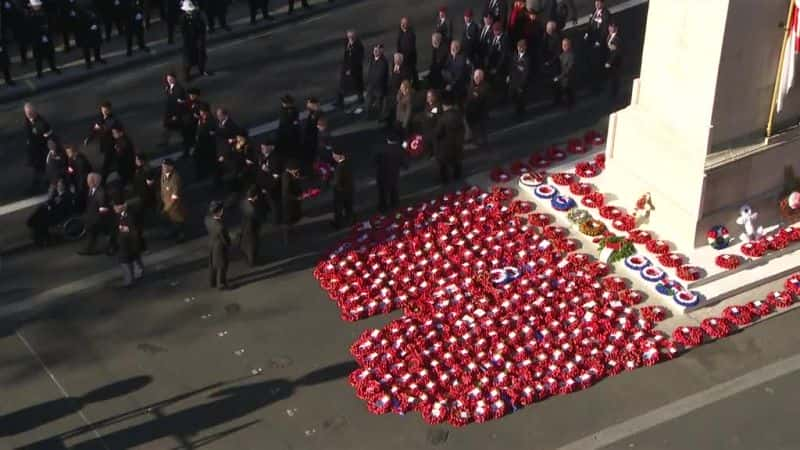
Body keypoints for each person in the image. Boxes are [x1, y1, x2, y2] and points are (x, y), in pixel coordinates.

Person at [84, 100, 121, 182]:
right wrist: (89, 138)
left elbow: (114, 131)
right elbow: (95, 130)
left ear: (110, 110)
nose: (104, 111)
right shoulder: (100, 118)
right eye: (103, 110)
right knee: (114, 162)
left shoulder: (113, 120)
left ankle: (103, 180)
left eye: (106, 110)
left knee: (107, 164)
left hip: (112, 145)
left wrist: (118, 144)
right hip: (105, 144)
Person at [113, 194, 144, 287]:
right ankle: (134, 276)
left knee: (127, 260)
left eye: (116, 206)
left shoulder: (130, 215)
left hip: (129, 242)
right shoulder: (118, 215)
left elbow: (134, 231)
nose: (114, 208)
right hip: (123, 243)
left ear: (121, 206)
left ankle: (130, 280)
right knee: (130, 259)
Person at [79, 172, 113, 255]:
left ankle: (108, 248)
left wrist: (98, 218)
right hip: (92, 216)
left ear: (95, 181)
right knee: (92, 234)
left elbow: (103, 207)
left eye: (89, 181)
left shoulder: (100, 192)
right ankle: (89, 249)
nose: (88, 182)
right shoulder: (91, 190)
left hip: (98, 218)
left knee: (97, 233)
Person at [434, 95, 465, 184]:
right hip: (457, 143)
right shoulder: (458, 114)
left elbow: (438, 132)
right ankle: (457, 176)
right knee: (457, 161)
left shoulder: (443, 118)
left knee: (443, 164)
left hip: (446, 145)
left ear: (445, 106)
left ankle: (445, 180)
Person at [24, 102, 53, 193]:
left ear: (34, 112)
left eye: (30, 113)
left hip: (41, 152)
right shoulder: (28, 121)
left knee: (41, 171)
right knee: (39, 171)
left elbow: (49, 138)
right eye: (27, 113)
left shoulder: (42, 124)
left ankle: (40, 187)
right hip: (35, 152)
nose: (28, 115)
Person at [28, 0, 60, 78]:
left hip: (47, 37)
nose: (37, 7)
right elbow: (30, 29)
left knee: (50, 54)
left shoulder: (44, 13)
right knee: (39, 57)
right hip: (37, 39)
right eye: (35, 6)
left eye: (38, 5)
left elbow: (50, 23)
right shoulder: (30, 16)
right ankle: (39, 72)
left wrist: (48, 31)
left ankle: (53, 67)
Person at [131, 153, 155, 250]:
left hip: (145, 195)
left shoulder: (147, 170)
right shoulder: (140, 169)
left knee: (142, 212)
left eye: (137, 160)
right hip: (141, 194)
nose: (136, 162)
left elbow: (150, 185)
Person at [585, 0, 611, 92]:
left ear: (603, 3)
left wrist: (599, 41)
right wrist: (587, 34)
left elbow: (604, 29)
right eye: (596, 2)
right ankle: (593, 84)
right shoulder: (594, 12)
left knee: (598, 65)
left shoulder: (606, 14)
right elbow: (590, 24)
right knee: (592, 64)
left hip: (599, 44)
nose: (596, 4)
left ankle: (599, 86)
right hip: (592, 41)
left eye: (599, 2)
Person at [180, 0, 208, 81]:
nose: (190, 11)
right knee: (188, 59)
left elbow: (202, 27)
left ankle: (202, 70)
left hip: (198, 39)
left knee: (201, 56)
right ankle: (187, 75)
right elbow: (183, 31)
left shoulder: (197, 15)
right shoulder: (183, 18)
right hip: (189, 41)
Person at [205, 200, 230, 290]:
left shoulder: (207, 219)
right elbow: (225, 239)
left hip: (211, 243)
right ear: (219, 211)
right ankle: (221, 284)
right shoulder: (220, 226)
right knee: (222, 265)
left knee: (212, 264)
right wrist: (228, 244)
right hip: (219, 247)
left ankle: (212, 282)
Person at [374, 144, 406, 213]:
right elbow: (403, 163)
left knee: (384, 192)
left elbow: (374, 163)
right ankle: (393, 206)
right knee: (392, 191)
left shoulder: (381, 155)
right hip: (391, 176)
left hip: (383, 177)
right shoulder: (395, 154)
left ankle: (384, 207)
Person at [160, 158, 186, 243]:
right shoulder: (163, 175)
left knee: (178, 221)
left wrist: (168, 207)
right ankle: (176, 233)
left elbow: (175, 195)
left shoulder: (175, 177)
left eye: (165, 166)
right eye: (163, 166)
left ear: (171, 167)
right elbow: (163, 188)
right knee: (172, 220)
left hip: (175, 206)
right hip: (167, 203)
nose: (163, 168)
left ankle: (181, 236)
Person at [337, 29, 364, 107]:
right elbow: (346, 55)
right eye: (349, 36)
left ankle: (360, 99)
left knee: (357, 84)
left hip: (355, 69)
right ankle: (340, 100)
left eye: (352, 36)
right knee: (342, 84)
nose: (350, 38)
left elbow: (358, 59)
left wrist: (351, 69)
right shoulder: (347, 43)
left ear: (355, 37)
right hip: (346, 66)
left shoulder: (359, 46)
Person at [385, 52, 411, 131]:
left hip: (398, 93)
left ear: (401, 61)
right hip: (392, 91)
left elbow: (405, 84)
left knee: (396, 110)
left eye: (397, 59)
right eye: (395, 59)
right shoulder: (394, 65)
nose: (395, 61)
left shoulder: (405, 70)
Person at [465, 69, 490, 149]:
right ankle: (476, 141)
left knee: (482, 127)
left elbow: (483, 99)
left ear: (482, 77)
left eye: (478, 77)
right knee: (473, 128)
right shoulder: (470, 86)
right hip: (471, 112)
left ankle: (484, 142)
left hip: (481, 111)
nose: (476, 78)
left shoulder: (485, 87)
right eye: (475, 76)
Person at [161, 72, 186, 149]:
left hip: (175, 112)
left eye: (171, 79)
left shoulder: (179, 89)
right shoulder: (169, 87)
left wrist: (176, 115)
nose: (169, 80)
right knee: (169, 127)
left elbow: (180, 103)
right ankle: (165, 141)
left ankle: (187, 140)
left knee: (178, 128)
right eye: (168, 79)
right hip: (170, 112)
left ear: (175, 79)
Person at [239, 185, 263, 266]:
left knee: (247, 245)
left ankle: (249, 260)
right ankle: (252, 262)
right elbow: (255, 219)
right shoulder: (253, 209)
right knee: (252, 246)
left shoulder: (244, 202)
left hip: (245, 227)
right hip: (251, 230)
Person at [280, 161, 302, 244]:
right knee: (288, 220)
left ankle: (292, 231)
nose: (297, 171)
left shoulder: (292, 174)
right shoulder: (286, 177)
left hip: (293, 201)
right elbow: (286, 192)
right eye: (295, 170)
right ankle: (287, 238)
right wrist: (296, 197)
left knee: (292, 218)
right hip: (289, 202)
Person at [330, 148, 353, 229]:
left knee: (338, 208)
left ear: (338, 156)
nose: (333, 157)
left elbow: (336, 182)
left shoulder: (339, 168)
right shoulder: (348, 162)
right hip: (349, 189)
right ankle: (350, 221)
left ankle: (338, 224)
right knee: (348, 206)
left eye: (334, 156)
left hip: (340, 191)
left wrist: (330, 181)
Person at [65, 145, 93, 211]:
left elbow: (82, 175)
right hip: (78, 179)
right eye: (67, 152)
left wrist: (79, 186)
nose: (67, 154)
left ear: (74, 152)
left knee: (83, 195)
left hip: (83, 180)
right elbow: (71, 170)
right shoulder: (71, 159)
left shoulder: (80, 160)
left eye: (69, 152)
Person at [485, 21, 510, 97]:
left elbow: (504, 56)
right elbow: (489, 49)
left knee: (500, 83)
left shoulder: (505, 39)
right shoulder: (491, 35)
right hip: (491, 64)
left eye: (496, 31)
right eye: (494, 30)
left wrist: (497, 68)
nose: (494, 32)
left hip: (500, 66)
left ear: (500, 30)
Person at [508, 39, 531, 119]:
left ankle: (521, 113)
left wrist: (522, 84)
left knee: (521, 98)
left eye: (522, 47)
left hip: (521, 81)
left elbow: (526, 72)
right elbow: (512, 67)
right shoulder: (515, 55)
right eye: (519, 47)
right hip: (514, 80)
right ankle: (517, 109)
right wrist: (509, 76)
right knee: (513, 95)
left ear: (525, 48)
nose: (520, 48)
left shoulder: (527, 58)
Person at [364, 44, 388, 120]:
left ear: (381, 51)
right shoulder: (372, 59)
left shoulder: (383, 62)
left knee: (378, 104)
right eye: (374, 50)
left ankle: (379, 117)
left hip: (378, 87)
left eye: (377, 50)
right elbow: (370, 71)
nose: (375, 52)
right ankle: (368, 115)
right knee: (368, 102)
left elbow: (380, 75)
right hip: (371, 86)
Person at [442, 40, 469, 104]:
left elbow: (460, 76)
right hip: (450, 79)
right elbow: (445, 66)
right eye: (452, 47)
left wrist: (451, 84)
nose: (453, 49)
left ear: (459, 48)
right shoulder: (450, 55)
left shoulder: (462, 58)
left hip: (459, 82)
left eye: (455, 47)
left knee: (450, 91)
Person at [194, 107, 217, 180]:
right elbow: (198, 130)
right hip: (200, 143)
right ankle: (201, 174)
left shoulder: (211, 120)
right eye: (201, 112)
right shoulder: (200, 120)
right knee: (199, 159)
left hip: (208, 143)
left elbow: (213, 132)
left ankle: (212, 174)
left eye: (203, 112)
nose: (202, 114)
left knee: (209, 160)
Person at [553, 37, 575, 108]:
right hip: (562, 77)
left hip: (568, 78)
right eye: (563, 45)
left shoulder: (571, 56)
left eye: (566, 45)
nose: (564, 47)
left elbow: (568, 70)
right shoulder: (561, 55)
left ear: (569, 45)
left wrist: (558, 77)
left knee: (567, 94)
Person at [301, 97, 321, 174]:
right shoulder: (313, 113)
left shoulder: (317, 114)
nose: (307, 105)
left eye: (309, 104)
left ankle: (314, 170)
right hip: (310, 138)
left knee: (312, 155)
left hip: (313, 139)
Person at [396, 17, 418, 85]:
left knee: (412, 72)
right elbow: (398, 44)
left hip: (410, 58)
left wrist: (402, 57)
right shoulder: (400, 32)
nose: (402, 25)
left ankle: (415, 85)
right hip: (402, 57)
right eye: (402, 23)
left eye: (404, 23)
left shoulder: (411, 34)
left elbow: (410, 48)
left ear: (408, 24)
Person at [392, 79, 414, 144]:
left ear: (406, 88)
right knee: (397, 129)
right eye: (400, 87)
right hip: (399, 117)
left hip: (404, 119)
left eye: (402, 87)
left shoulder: (409, 98)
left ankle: (406, 143)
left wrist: (405, 122)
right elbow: (398, 99)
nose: (400, 88)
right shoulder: (401, 94)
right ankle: (399, 140)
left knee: (405, 133)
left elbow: (408, 111)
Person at [605, 22, 622, 102]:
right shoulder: (609, 37)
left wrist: (610, 62)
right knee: (611, 77)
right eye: (609, 27)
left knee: (615, 78)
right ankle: (611, 92)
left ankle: (615, 94)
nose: (610, 29)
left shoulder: (617, 39)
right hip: (609, 60)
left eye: (611, 27)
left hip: (615, 62)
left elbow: (616, 52)